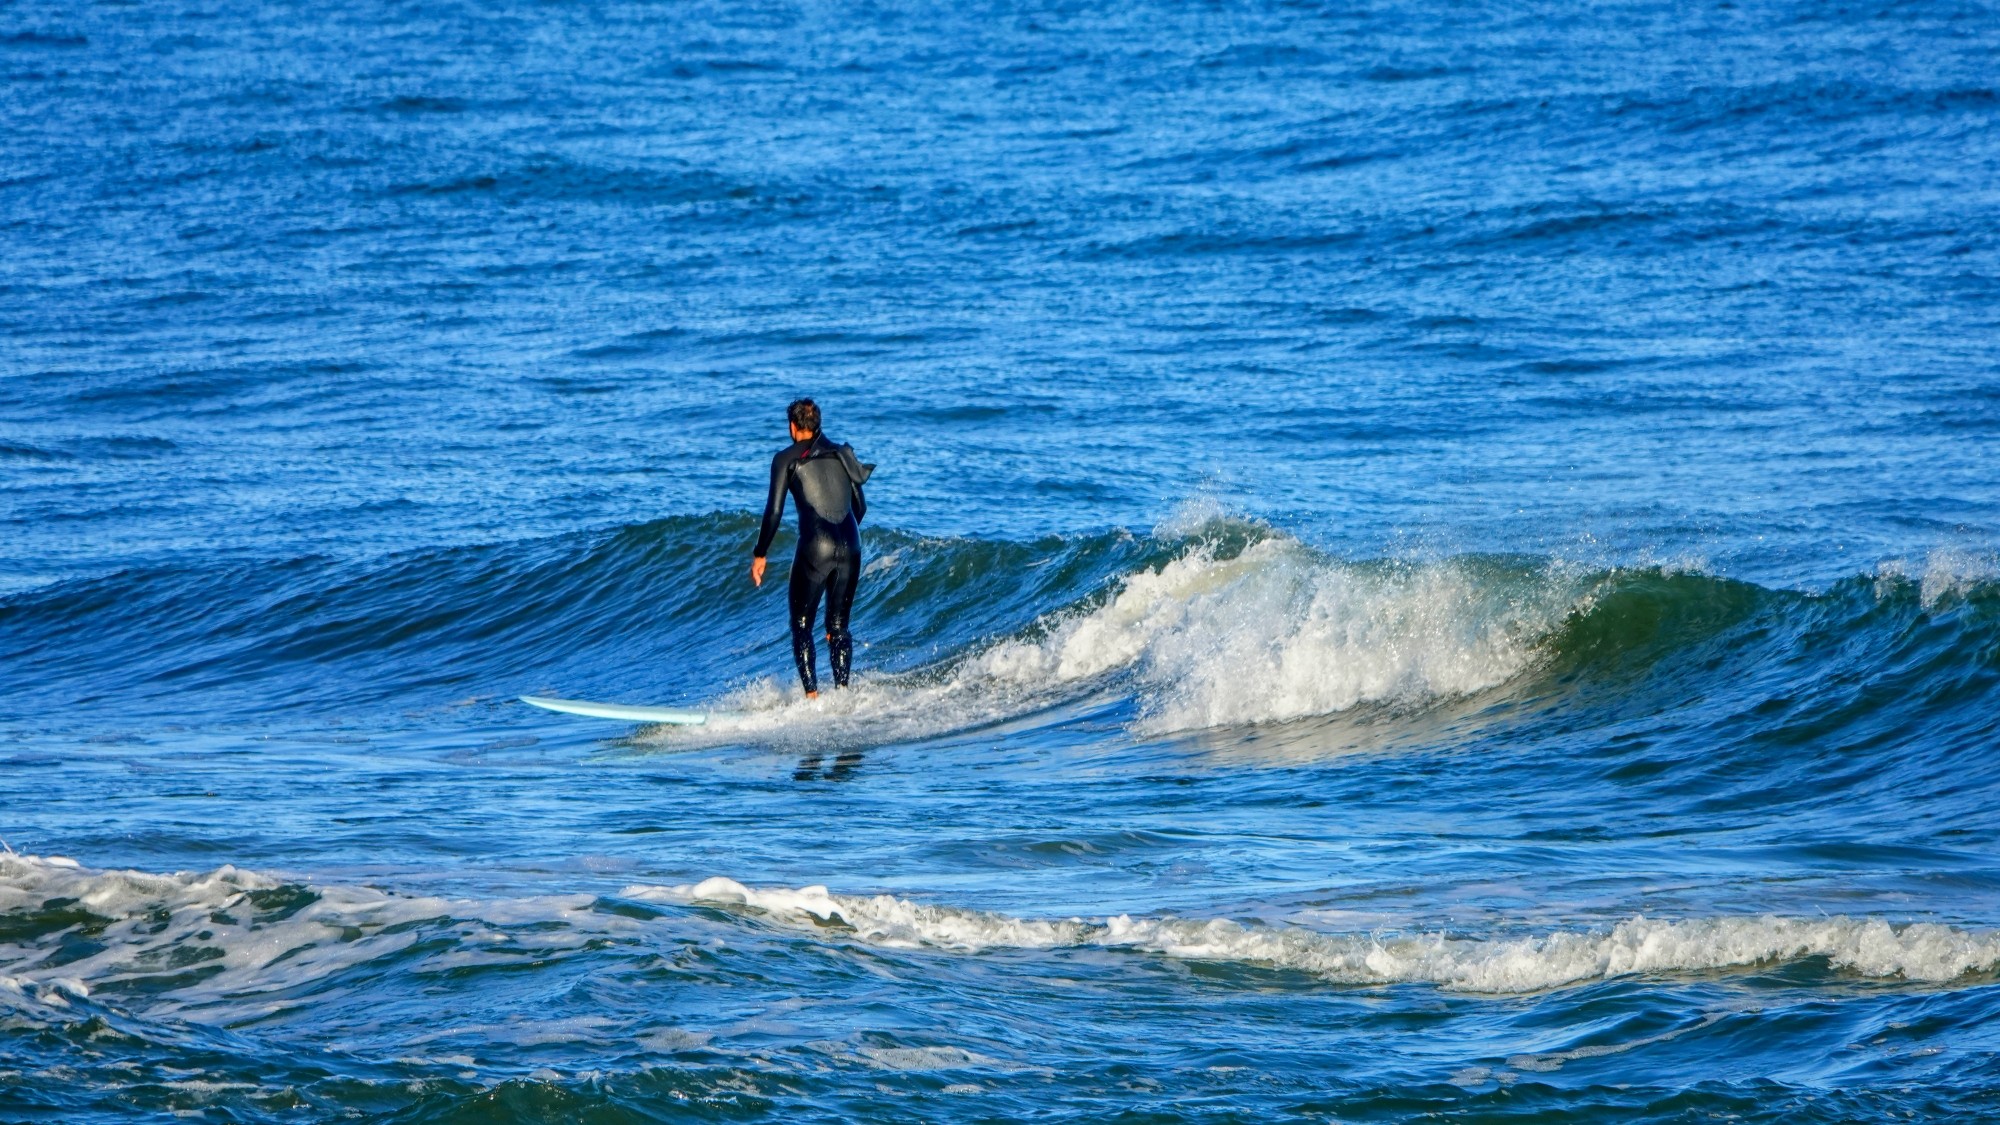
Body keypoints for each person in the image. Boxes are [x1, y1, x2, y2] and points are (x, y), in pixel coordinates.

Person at [751, 399, 873, 698]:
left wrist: (760, 553)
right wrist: (842, 536)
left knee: (802, 624)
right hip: (851, 544)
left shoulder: (785, 459)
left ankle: (812, 699)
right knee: (838, 626)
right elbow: (861, 506)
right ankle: (843, 694)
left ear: (793, 427)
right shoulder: (842, 454)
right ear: (817, 423)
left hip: (815, 547)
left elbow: (774, 512)